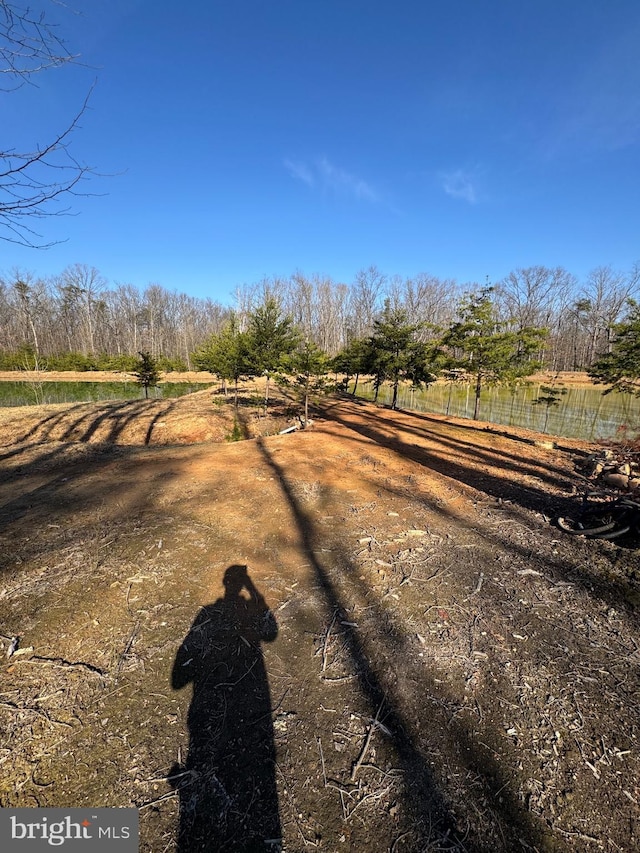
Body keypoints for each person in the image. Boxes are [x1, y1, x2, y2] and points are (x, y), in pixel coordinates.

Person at [170, 565, 280, 851]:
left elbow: (178, 678)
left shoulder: (206, 614)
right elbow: (270, 633)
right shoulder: (210, 614)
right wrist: (255, 591)